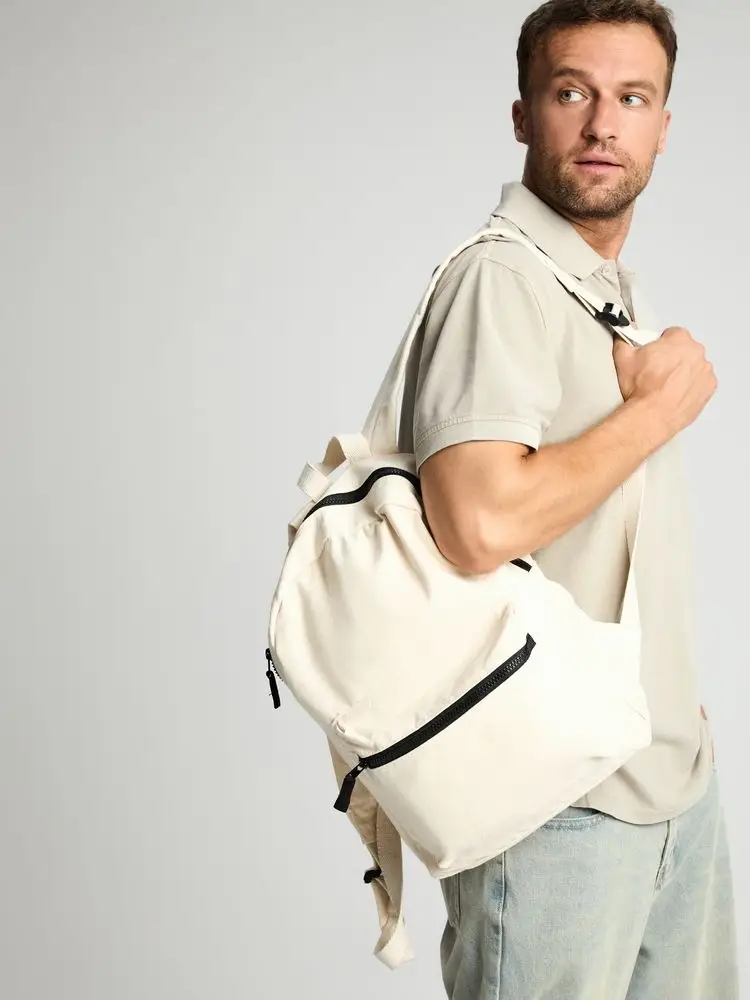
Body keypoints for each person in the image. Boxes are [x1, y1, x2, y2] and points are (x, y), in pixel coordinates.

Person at [410, 1, 739, 997]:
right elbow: (477, 524)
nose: (603, 124)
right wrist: (659, 410)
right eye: (571, 92)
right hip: (557, 805)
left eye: (632, 98)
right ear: (524, 114)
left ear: (663, 126)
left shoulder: (595, 287)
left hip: (672, 783)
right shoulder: (499, 279)